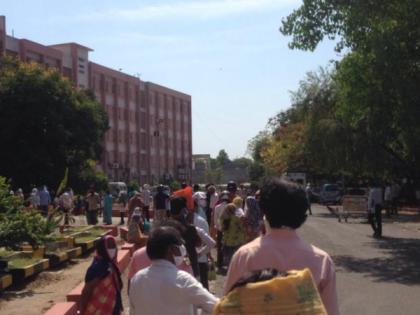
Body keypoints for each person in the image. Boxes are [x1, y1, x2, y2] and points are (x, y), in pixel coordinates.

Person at [223, 177, 338, 315]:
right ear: (303, 213)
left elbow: (227, 308)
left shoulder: (245, 255)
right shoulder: (322, 261)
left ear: (263, 210)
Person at [129, 226, 219, 315]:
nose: (183, 249)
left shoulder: (137, 279)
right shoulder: (182, 279)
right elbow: (216, 306)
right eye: (180, 245)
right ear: (171, 249)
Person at [79, 235, 123, 315]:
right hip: (98, 310)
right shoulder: (96, 268)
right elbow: (86, 291)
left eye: (113, 246)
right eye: (109, 246)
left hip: (113, 309)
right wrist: (81, 310)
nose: (112, 249)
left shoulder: (112, 265)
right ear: (102, 248)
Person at [213, 191, 230, 271]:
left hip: (220, 229)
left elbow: (215, 219)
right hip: (228, 230)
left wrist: (218, 227)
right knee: (228, 245)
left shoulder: (217, 207)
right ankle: (227, 262)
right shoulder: (230, 207)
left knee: (219, 245)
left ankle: (219, 263)